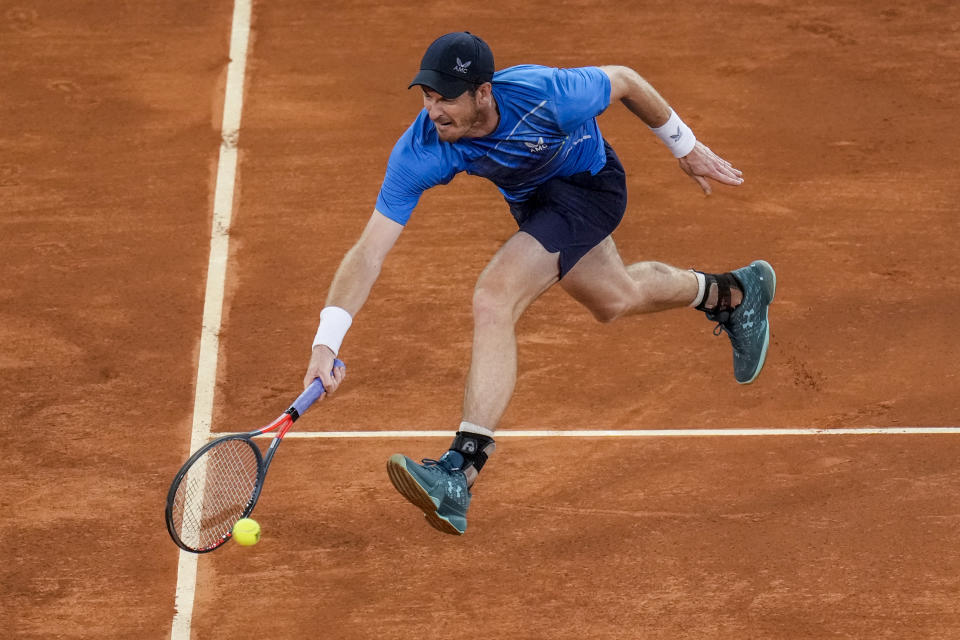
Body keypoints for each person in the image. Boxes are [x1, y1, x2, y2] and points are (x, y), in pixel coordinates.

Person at [303, 32, 776, 535]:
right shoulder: (423, 147)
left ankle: (460, 470)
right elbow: (368, 251)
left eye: (447, 99)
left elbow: (625, 81)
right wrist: (325, 342)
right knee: (615, 299)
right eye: (428, 96)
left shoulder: (546, 93)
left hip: (590, 187)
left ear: (483, 93)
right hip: (536, 203)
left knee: (494, 296)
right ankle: (734, 294)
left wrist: (686, 146)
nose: (433, 110)